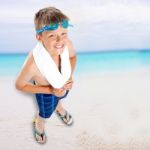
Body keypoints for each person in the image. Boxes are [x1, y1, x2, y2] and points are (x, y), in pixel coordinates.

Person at [15, 6, 77, 144]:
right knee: (45, 113)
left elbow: (72, 58)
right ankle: (39, 124)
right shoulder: (33, 64)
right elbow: (19, 85)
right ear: (39, 37)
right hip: (45, 92)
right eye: (52, 35)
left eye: (63, 34)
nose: (60, 40)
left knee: (61, 96)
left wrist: (69, 76)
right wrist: (49, 90)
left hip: (62, 85)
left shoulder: (67, 45)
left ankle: (59, 108)